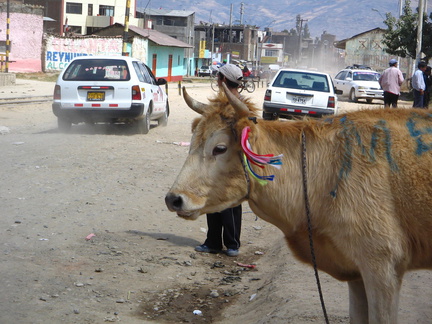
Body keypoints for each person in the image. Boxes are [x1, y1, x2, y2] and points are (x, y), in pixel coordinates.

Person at [195, 64, 244, 257]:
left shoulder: (238, 107)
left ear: (222, 80)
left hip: (229, 161)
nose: (216, 80)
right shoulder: (222, 105)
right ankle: (215, 242)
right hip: (219, 159)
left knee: (229, 201)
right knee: (215, 199)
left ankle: (231, 244)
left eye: (218, 77)